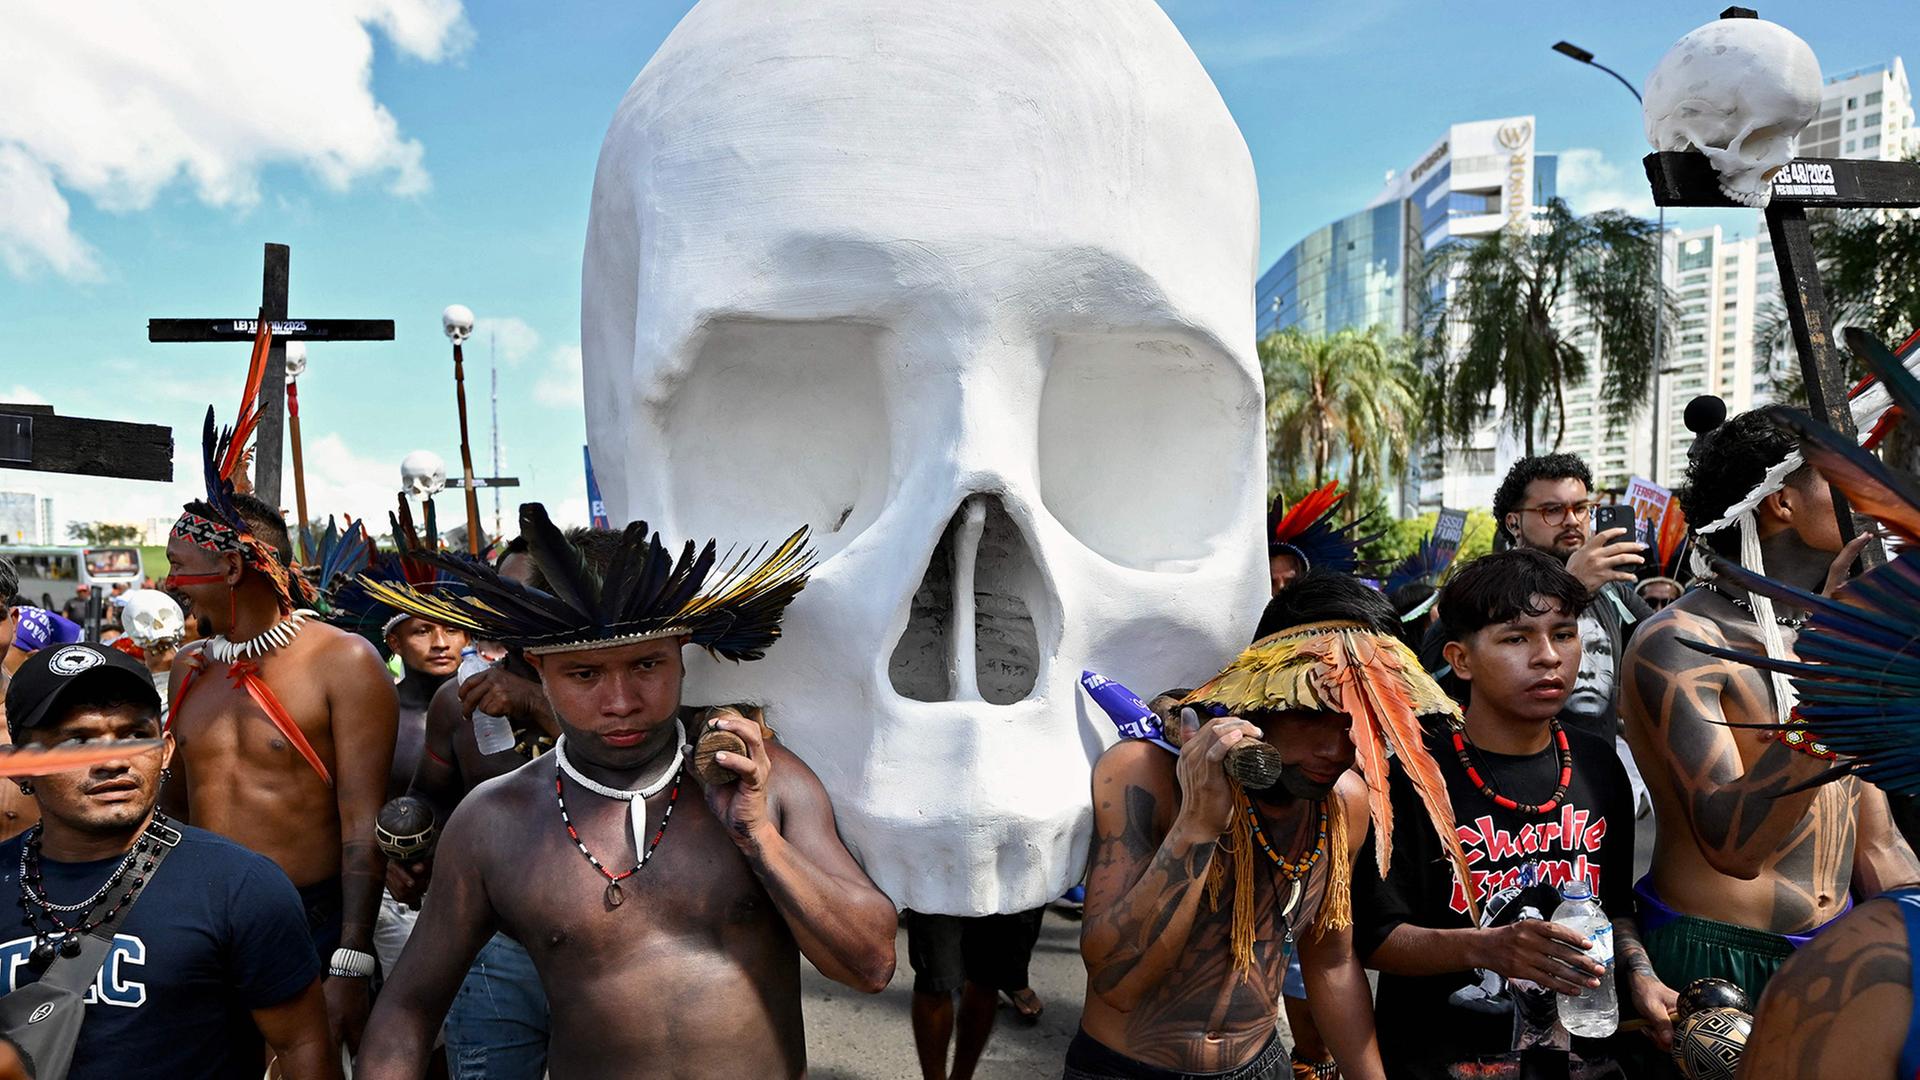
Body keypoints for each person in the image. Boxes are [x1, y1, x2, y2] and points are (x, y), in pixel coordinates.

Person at [357, 504, 896, 1079]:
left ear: (682, 651)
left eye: (645, 665)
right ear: (538, 667)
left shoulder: (763, 779)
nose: (621, 701)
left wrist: (760, 839)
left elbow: (871, 964)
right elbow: (407, 1012)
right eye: (585, 674)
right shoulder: (496, 822)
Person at [1073, 571, 1475, 1080]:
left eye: (1359, 721)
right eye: (1311, 715)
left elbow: (1330, 963)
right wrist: (1197, 823)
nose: (1336, 750)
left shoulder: (1343, 803)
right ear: (1263, 695)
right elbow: (1117, 984)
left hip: (1261, 1064)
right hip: (1127, 1068)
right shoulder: (1145, 774)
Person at [1620, 408, 1918, 1001]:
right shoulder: (1679, 642)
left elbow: (1878, 843)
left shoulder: (1831, 636)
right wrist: (1829, 690)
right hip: (1719, 961)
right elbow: (1734, 848)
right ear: (1781, 501)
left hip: (1839, 950)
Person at [1355, 550, 1674, 1078]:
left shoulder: (1597, 765)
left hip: (1585, 1060)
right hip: (1445, 1061)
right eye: (1516, 638)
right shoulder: (1409, 777)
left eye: (1564, 634)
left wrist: (1641, 979)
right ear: (1460, 659)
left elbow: (1614, 907)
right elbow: (1377, 939)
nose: (1548, 656)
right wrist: (1488, 948)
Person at [161, 362, 399, 1055]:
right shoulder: (190, 666)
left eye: (180, 566)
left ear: (232, 568)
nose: (172, 583)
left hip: (310, 923)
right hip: (203, 921)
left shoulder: (342, 661)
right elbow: (174, 812)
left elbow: (363, 826)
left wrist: (350, 961)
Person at [0, 641, 337, 1080]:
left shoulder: (240, 887)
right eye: (78, 741)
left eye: (135, 735)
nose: (115, 761)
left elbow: (303, 1048)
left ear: (166, 749)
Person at [390, 538, 558, 1080]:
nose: (509, 611)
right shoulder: (459, 699)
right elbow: (427, 796)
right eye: (500, 596)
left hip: (609, 952)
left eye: (529, 596)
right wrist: (409, 841)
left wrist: (534, 701)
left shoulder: (618, 699)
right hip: (494, 950)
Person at [1487, 454, 1650, 745]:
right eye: (1553, 510)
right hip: (1519, 775)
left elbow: (1665, 640)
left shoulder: (1613, 592)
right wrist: (1572, 587)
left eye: (1581, 508)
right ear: (1514, 522)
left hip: (1597, 776)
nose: (1572, 521)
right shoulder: (1487, 589)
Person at [906, 907, 1045, 1080]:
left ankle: (962, 1077)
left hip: (1002, 886)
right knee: (934, 978)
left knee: (987, 977)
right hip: (938, 887)